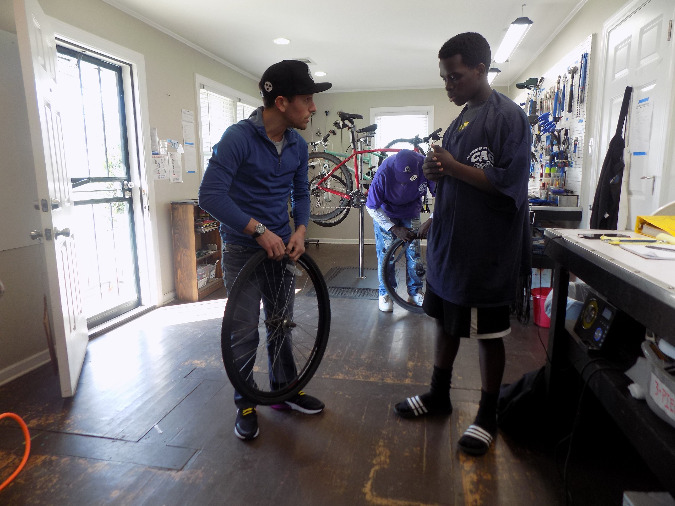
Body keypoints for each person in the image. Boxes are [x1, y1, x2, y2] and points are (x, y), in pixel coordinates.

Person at [393, 32, 532, 456]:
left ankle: (487, 414)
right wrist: (439, 175)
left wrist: (452, 167)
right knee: (445, 320)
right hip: (449, 248)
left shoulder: (507, 118)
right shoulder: (458, 122)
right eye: (444, 78)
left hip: (483, 251)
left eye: (454, 77)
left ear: (480, 69)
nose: (448, 85)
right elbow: (453, 178)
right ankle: (439, 395)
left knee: (489, 333)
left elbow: (509, 183)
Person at [199, 60, 331, 441]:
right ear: (282, 101)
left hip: (283, 250)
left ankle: (284, 393)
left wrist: (301, 230)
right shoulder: (238, 138)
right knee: (243, 333)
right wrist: (258, 230)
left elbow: (302, 194)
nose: (313, 108)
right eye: (307, 100)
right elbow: (210, 195)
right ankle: (246, 403)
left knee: (281, 325)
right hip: (244, 250)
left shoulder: (298, 145)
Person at [365, 149, 434, 312]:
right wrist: (394, 228)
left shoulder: (426, 166)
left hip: (411, 211)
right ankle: (386, 293)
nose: (404, 184)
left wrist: (431, 220)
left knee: (414, 254)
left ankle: (415, 291)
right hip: (386, 212)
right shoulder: (384, 172)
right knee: (386, 255)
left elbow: (444, 194)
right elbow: (371, 207)